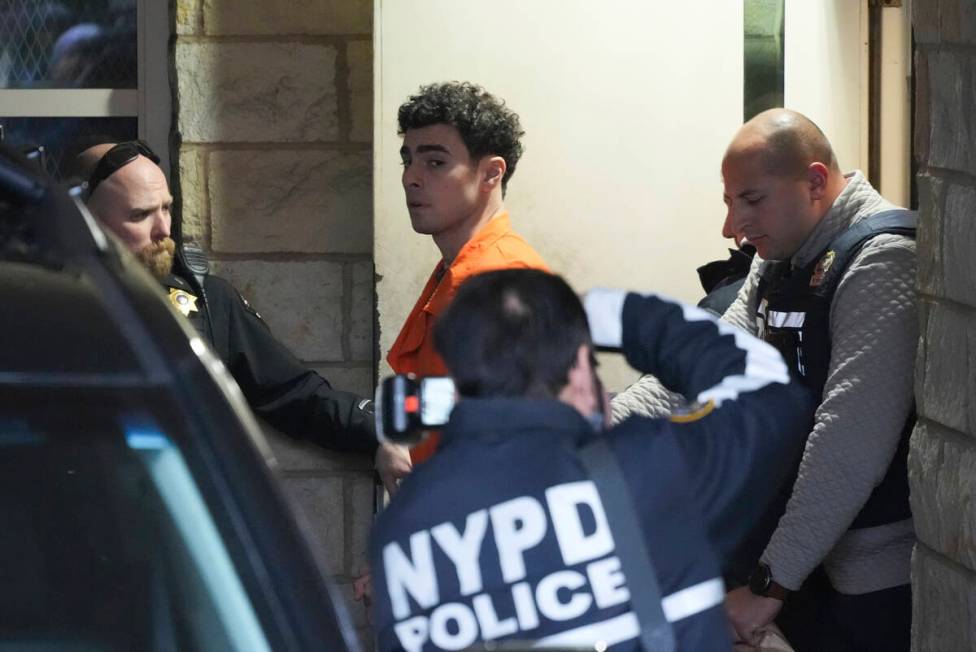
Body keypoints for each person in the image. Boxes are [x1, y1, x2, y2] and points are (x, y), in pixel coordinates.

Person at [369, 268, 814, 651]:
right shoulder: (654, 471)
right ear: (581, 373)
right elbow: (774, 395)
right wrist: (615, 316)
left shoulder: (403, 533)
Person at [616, 109, 917, 650]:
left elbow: (848, 444)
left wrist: (768, 583)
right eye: (730, 203)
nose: (733, 227)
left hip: (865, 578)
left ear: (816, 182)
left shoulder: (883, 258)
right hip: (798, 560)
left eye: (751, 200)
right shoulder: (781, 255)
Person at [71, 140, 394, 474]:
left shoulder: (205, 300)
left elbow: (291, 393)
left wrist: (377, 433)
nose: (163, 230)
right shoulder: (42, 305)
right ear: (82, 217)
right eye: (140, 215)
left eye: (166, 209)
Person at [385, 81, 550, 468]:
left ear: (491, 174)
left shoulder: (500, 279)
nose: (411, 177)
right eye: (408, 159)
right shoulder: (459, 269)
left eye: (435, 162)